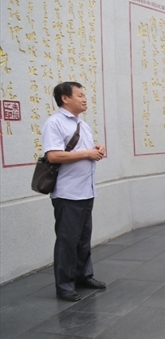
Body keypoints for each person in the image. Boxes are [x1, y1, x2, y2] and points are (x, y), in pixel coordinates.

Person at [42, 82, 106, 302]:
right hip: (67, 193)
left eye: (84, 95)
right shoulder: (55, 123)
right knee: (67, 240)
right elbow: (53, 155)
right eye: (80, 95)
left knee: (83, 239)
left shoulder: (82, 124)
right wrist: (87, 154)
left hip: (86, 190)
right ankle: (65, 286)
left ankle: (83, 276)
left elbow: (82, 151)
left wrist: (96, 149)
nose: (85, 99)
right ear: (65, 98)